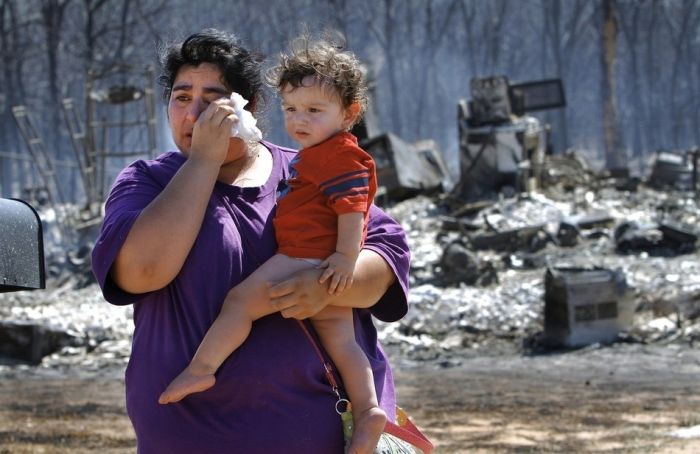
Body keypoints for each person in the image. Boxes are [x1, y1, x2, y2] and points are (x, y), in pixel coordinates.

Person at [91, 28, 410, 454]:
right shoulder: (148, 181)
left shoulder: (311, 170)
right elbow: (142, 272)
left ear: (250, 108)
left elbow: (386, 259)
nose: (194, 114)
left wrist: (327, 287)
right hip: (189, 436)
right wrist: (205, 158)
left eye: (212, 99)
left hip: (316, 431)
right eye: (182, 97)